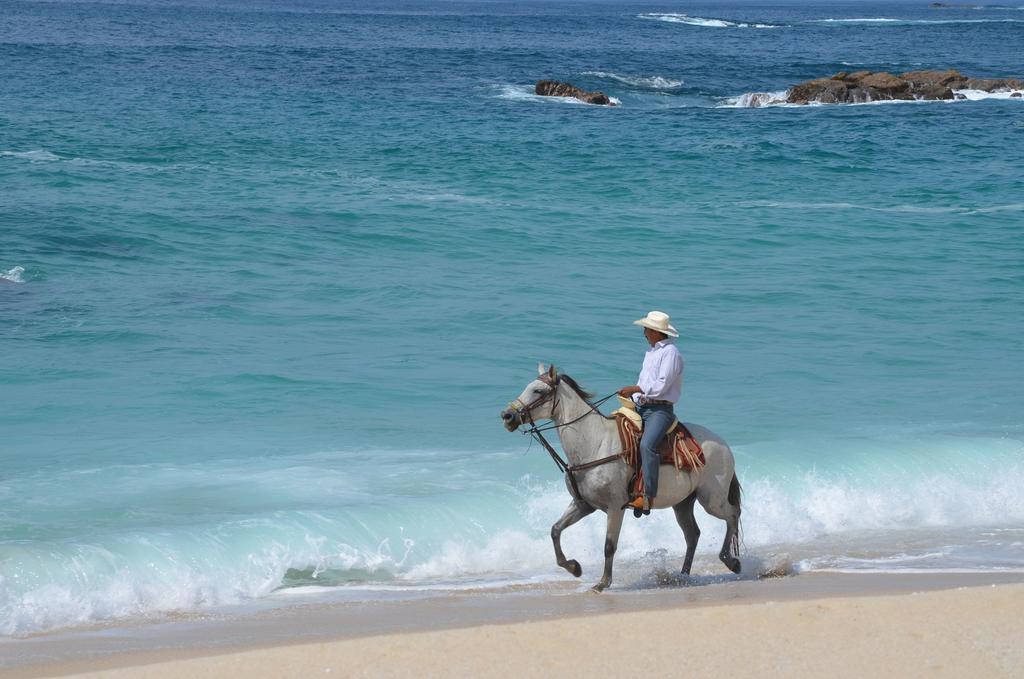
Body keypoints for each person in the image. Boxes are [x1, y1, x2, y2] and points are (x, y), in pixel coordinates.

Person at [618, 310, 684, 514]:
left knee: (647, 445)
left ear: (656, 332)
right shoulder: (651, 353)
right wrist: (633, 398)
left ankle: (647, 496)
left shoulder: (670, 353)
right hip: (643, 405)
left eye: (646, 329)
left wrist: (636, 389)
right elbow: (643, 383)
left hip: (660, 410)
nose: (644, 333)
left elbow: (661, 385)